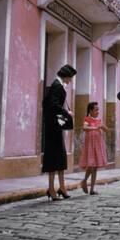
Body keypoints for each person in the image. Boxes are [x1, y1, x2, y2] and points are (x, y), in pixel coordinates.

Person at [42, 64, 77, 200]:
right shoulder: (57, 85)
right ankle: (51, 189)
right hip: (53, 128)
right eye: (70, 78)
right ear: (66, 76)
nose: (71, 80)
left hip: (55, 127)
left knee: (60, 157)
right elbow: (52, 105)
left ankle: (62, 187)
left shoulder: (57, 84)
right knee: (53, 157)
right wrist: (66, 112)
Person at [79, 102, 108, 195]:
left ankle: (92, 189)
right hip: (90, 145)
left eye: (98, 109)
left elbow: (106, 129)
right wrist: (95, 127)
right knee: (91, 165)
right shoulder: (87, 119)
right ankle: (84, 181)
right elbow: (84, 127)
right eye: (96, 109)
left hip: (98, 145)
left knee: (95, 167)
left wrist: (102, 126)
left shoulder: (99, 120)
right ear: (90, 110)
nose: (97, 111)